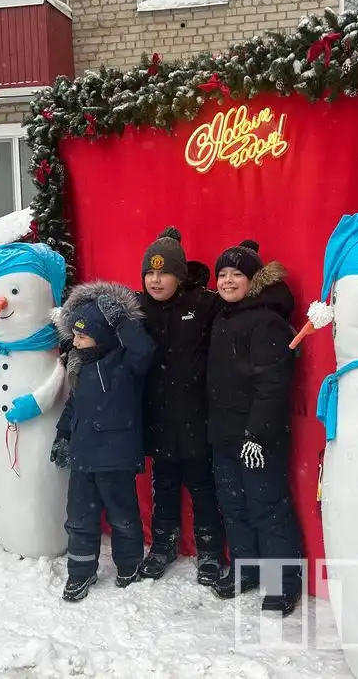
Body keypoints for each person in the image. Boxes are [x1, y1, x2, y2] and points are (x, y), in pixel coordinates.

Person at [206, 240, 303, 615]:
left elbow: (273, 382)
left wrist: (257, 434)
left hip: (258, 437)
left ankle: (283, 582)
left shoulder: (267, 320)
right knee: (233, 505)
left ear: (254, 280)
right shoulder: (222, 316)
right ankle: (246, 570)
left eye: (237, 274)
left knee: (267, 507)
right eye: (223, 274)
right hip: (224, 433)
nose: (228, 281)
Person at [50, 281, 156, 602]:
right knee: (79, 517)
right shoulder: (80, 366)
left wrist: (120, 319)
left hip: (115, 458)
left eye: (82, 336)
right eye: (74, 335)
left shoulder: (125, 365)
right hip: (83, 457)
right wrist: (63, 435)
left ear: (102, 335)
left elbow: (144, 349)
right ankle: (80, 572)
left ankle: (129, 564)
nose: (75, 342)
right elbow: (74, 406)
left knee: (123, 516)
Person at [137, 227, 227, 585]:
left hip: (196, 415)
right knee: (164, 484)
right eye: (150, 272)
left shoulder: (203, 304)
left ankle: (210, 552)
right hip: (157, 416)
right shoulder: (136, 307)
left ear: (180, 275)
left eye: (164, 273)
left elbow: (241, 311)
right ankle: (163, 545)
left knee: (203, 487)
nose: (155, 280)